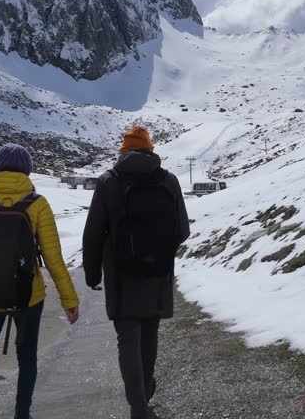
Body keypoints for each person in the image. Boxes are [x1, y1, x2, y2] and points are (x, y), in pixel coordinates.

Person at [0, 143, 80, 419]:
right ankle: (22, 414)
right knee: (27, 360)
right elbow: (54, 259)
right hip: (27, 297)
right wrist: (69, 299)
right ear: (28, 170)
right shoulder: (38, 204)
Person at [83, 127, 190, 419]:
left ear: (123, 151)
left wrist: (93, 276)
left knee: (127, 339)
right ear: (150, 150)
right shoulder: (168, 180)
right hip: (157, 273)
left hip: (121, 276)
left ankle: (138, 407)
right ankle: (145, 389)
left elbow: (93, 233)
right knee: (149, 333)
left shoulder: (108, 182)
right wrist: (157, 250)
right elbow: (183, 230)